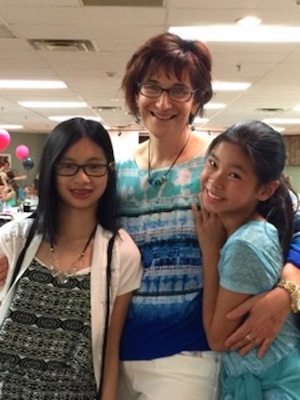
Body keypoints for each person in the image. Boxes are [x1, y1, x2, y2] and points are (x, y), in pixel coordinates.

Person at [116, 32, 300, 400]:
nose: (163, 102)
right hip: (121, 349)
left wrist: (289, 288)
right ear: (135, 92)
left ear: (196, 99)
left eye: (179, 90)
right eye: (152, 86)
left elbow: (291, 220)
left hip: (191, 356)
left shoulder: (220, 166)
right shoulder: (117, 172)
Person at [0, 117, 142, 399]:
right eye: (68, 166)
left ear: (109, 171)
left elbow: (110, 351)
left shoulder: (121, 254)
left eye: (94, 166)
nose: (82, 178)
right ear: (51, 170)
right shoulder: (14, 240)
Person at [193, 120, 300, 398]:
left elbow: (218, 338)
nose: (214, 180)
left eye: (235, 176)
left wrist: (209, 252)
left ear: (265, 190)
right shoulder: (256, 230)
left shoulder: (245, 244)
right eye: (213, 164)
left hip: (272, 387)